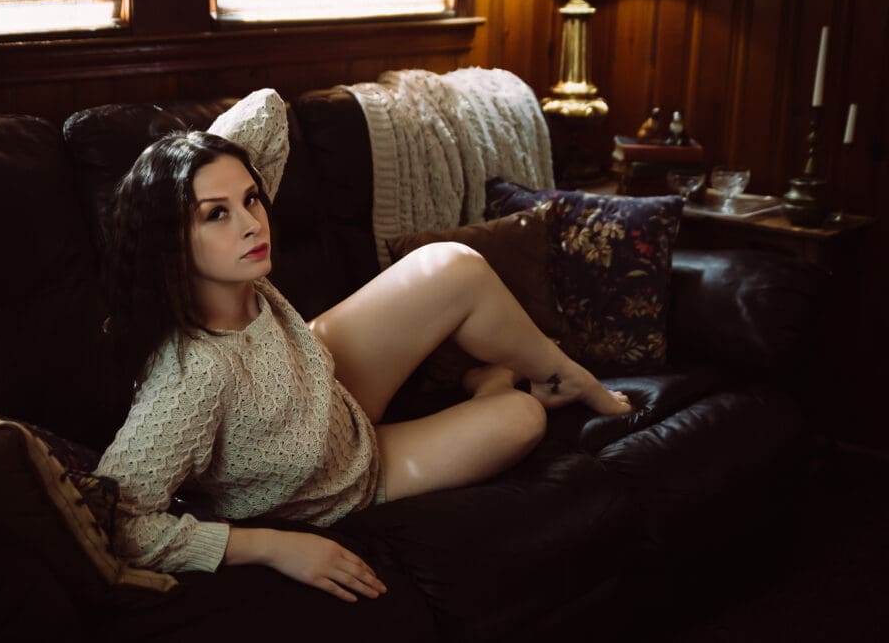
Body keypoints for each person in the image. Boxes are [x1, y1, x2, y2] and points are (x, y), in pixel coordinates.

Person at [96, 122, 633, 605]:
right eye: (216, 213)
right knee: (522, 417)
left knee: (451, 265)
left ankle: (563, 372)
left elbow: (266, 112)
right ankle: (495, 384)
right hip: (347, 472)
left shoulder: (242, 273)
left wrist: (187, 155)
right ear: (169, 242)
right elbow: (115, 520)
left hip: (321, 376)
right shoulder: (194, 377)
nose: (252, 224)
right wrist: (271, 547)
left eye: (252, 198)